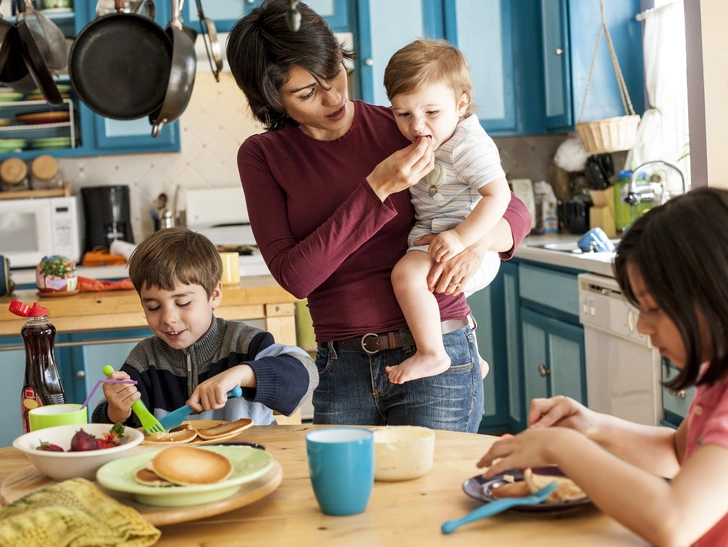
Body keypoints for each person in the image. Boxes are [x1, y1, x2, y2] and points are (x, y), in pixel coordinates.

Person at [227, 0, 531, 433]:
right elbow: (295, 277)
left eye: (333, 72)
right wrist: (378, 188)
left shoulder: (405, 122)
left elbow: (514, 206)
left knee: (436, 498)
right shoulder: (263, 157)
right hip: (342, 365)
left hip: (439, 351)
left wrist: (476, 241)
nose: (333, 96)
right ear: (270, 98)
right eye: (306, 93)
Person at [478, 187, 728, 546]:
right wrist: (592, 426)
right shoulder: (717, 373)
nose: (642, 326)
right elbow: (677, 452)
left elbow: (673, 522)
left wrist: (561, 447)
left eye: (652, 308)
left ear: (712, 294)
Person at [91, 227, 317, 428]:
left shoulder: (245, 343)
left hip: (249, 461)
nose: (168, 318)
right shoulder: (144, 359)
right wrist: (117, 412)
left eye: (183, 303)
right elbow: (105, 429)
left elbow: (305, 373)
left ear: (215, 294)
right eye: (153, 306)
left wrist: (242, 374)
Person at [383, 39, 510, 384]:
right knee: (431, 291)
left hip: (468, 246)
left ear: (461, 103)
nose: (417, 126)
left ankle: (432, 354)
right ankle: (474, 358)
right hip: (442, 241)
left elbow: (499, 196)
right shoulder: (430, 141)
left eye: (431, 113)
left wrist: (462, 238)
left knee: (406, 277)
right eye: (403, 114)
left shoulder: (466, 145)